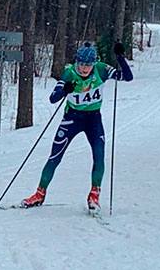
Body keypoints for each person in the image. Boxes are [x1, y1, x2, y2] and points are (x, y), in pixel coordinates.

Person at [21, 42, 134, 212]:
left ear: (93, 63)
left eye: (88, 65)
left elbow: (127, 77)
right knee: (55, 157)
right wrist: (64, 89)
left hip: (93, 119)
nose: (84, 69)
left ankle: (94, 195)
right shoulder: (70, 72)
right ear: (77, 62)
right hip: (72, 119)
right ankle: (39, 193)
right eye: (81, 64)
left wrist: (120, 58)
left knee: (99, 155)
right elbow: (53, 98)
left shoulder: (101, 69)